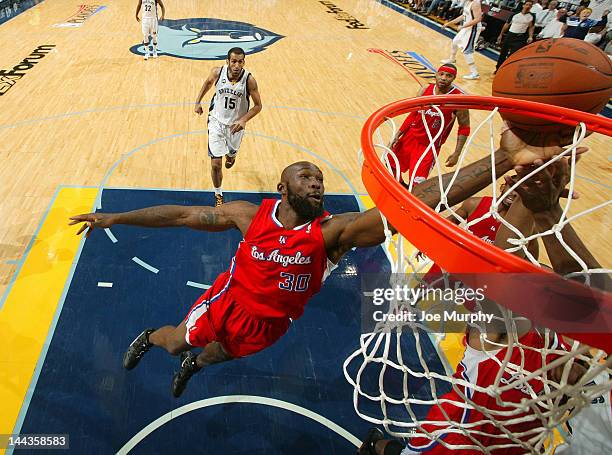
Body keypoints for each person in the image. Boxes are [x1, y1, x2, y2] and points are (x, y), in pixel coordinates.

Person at [69, 128, 576, 398]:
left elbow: (415, 204)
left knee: (219, 356)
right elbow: (180, 214)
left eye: (319, 177)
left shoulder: (333, 233)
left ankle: (194, 366)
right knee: (179, 337)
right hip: (230, 300)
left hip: (275, 321)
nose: (316, 181)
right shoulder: (249, 216)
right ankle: (151, 338)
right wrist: (115, 215)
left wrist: (508, 160)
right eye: (305, 175)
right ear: (283, 187)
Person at [359, 159, 600, 455]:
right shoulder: (509, 331)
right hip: (456, 434)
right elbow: (508, 260)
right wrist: (537, 200)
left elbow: (519, 262)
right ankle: (377, 447)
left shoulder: (559, 352)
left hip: (513, 441)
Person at [194, 47, 263, 206]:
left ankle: (232, 155)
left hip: (235, 127)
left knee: (229, 159)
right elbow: (207, 83)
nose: (237, 65)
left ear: (244, 62)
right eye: (234, 61)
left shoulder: (249, 80)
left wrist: (244, 119)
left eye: (240, 62)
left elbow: (258, 106)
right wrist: (197, 102)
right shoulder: (217, 72)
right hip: (216, 122)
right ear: (227, 62)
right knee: (216, 164)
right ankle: (218, 195)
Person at [388, 64, 470, 187]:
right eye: (441, 74)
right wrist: (398, 134)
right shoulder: (425, 89)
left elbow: (464, 128)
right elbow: (413, 114)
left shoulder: (458, 99)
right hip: (411, 137)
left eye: (449, 76)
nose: (443, 78)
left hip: (429, 146)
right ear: (436, 75)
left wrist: (456, 154)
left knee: (417, 184)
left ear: (454, 78)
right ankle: (400, 187)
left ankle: (409, 195)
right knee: (390, 164)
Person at [441, 0, 484, 80]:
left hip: (473, 29)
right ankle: (452, 59)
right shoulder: (467, 2)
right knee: (455, 42)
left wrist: (463, 26)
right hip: (467, 27)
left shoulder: (476, 3)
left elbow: (478, 19)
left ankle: (474, 73)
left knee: (467, 51)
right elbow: (463, 16)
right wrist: (449, 23)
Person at [495, 2, 536, 73]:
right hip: (510, 35)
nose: (528, 6)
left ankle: (506, 69)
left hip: (520, 37)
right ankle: (498, 68)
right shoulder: (515, 14)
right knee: (503, 53)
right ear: (523, 5)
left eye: (530, 5)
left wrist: (530, 36)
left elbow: (531, 27)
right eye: (527, 4)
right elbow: (507, 24)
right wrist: (501, 35)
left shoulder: (532, 16)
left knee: (513, 54)